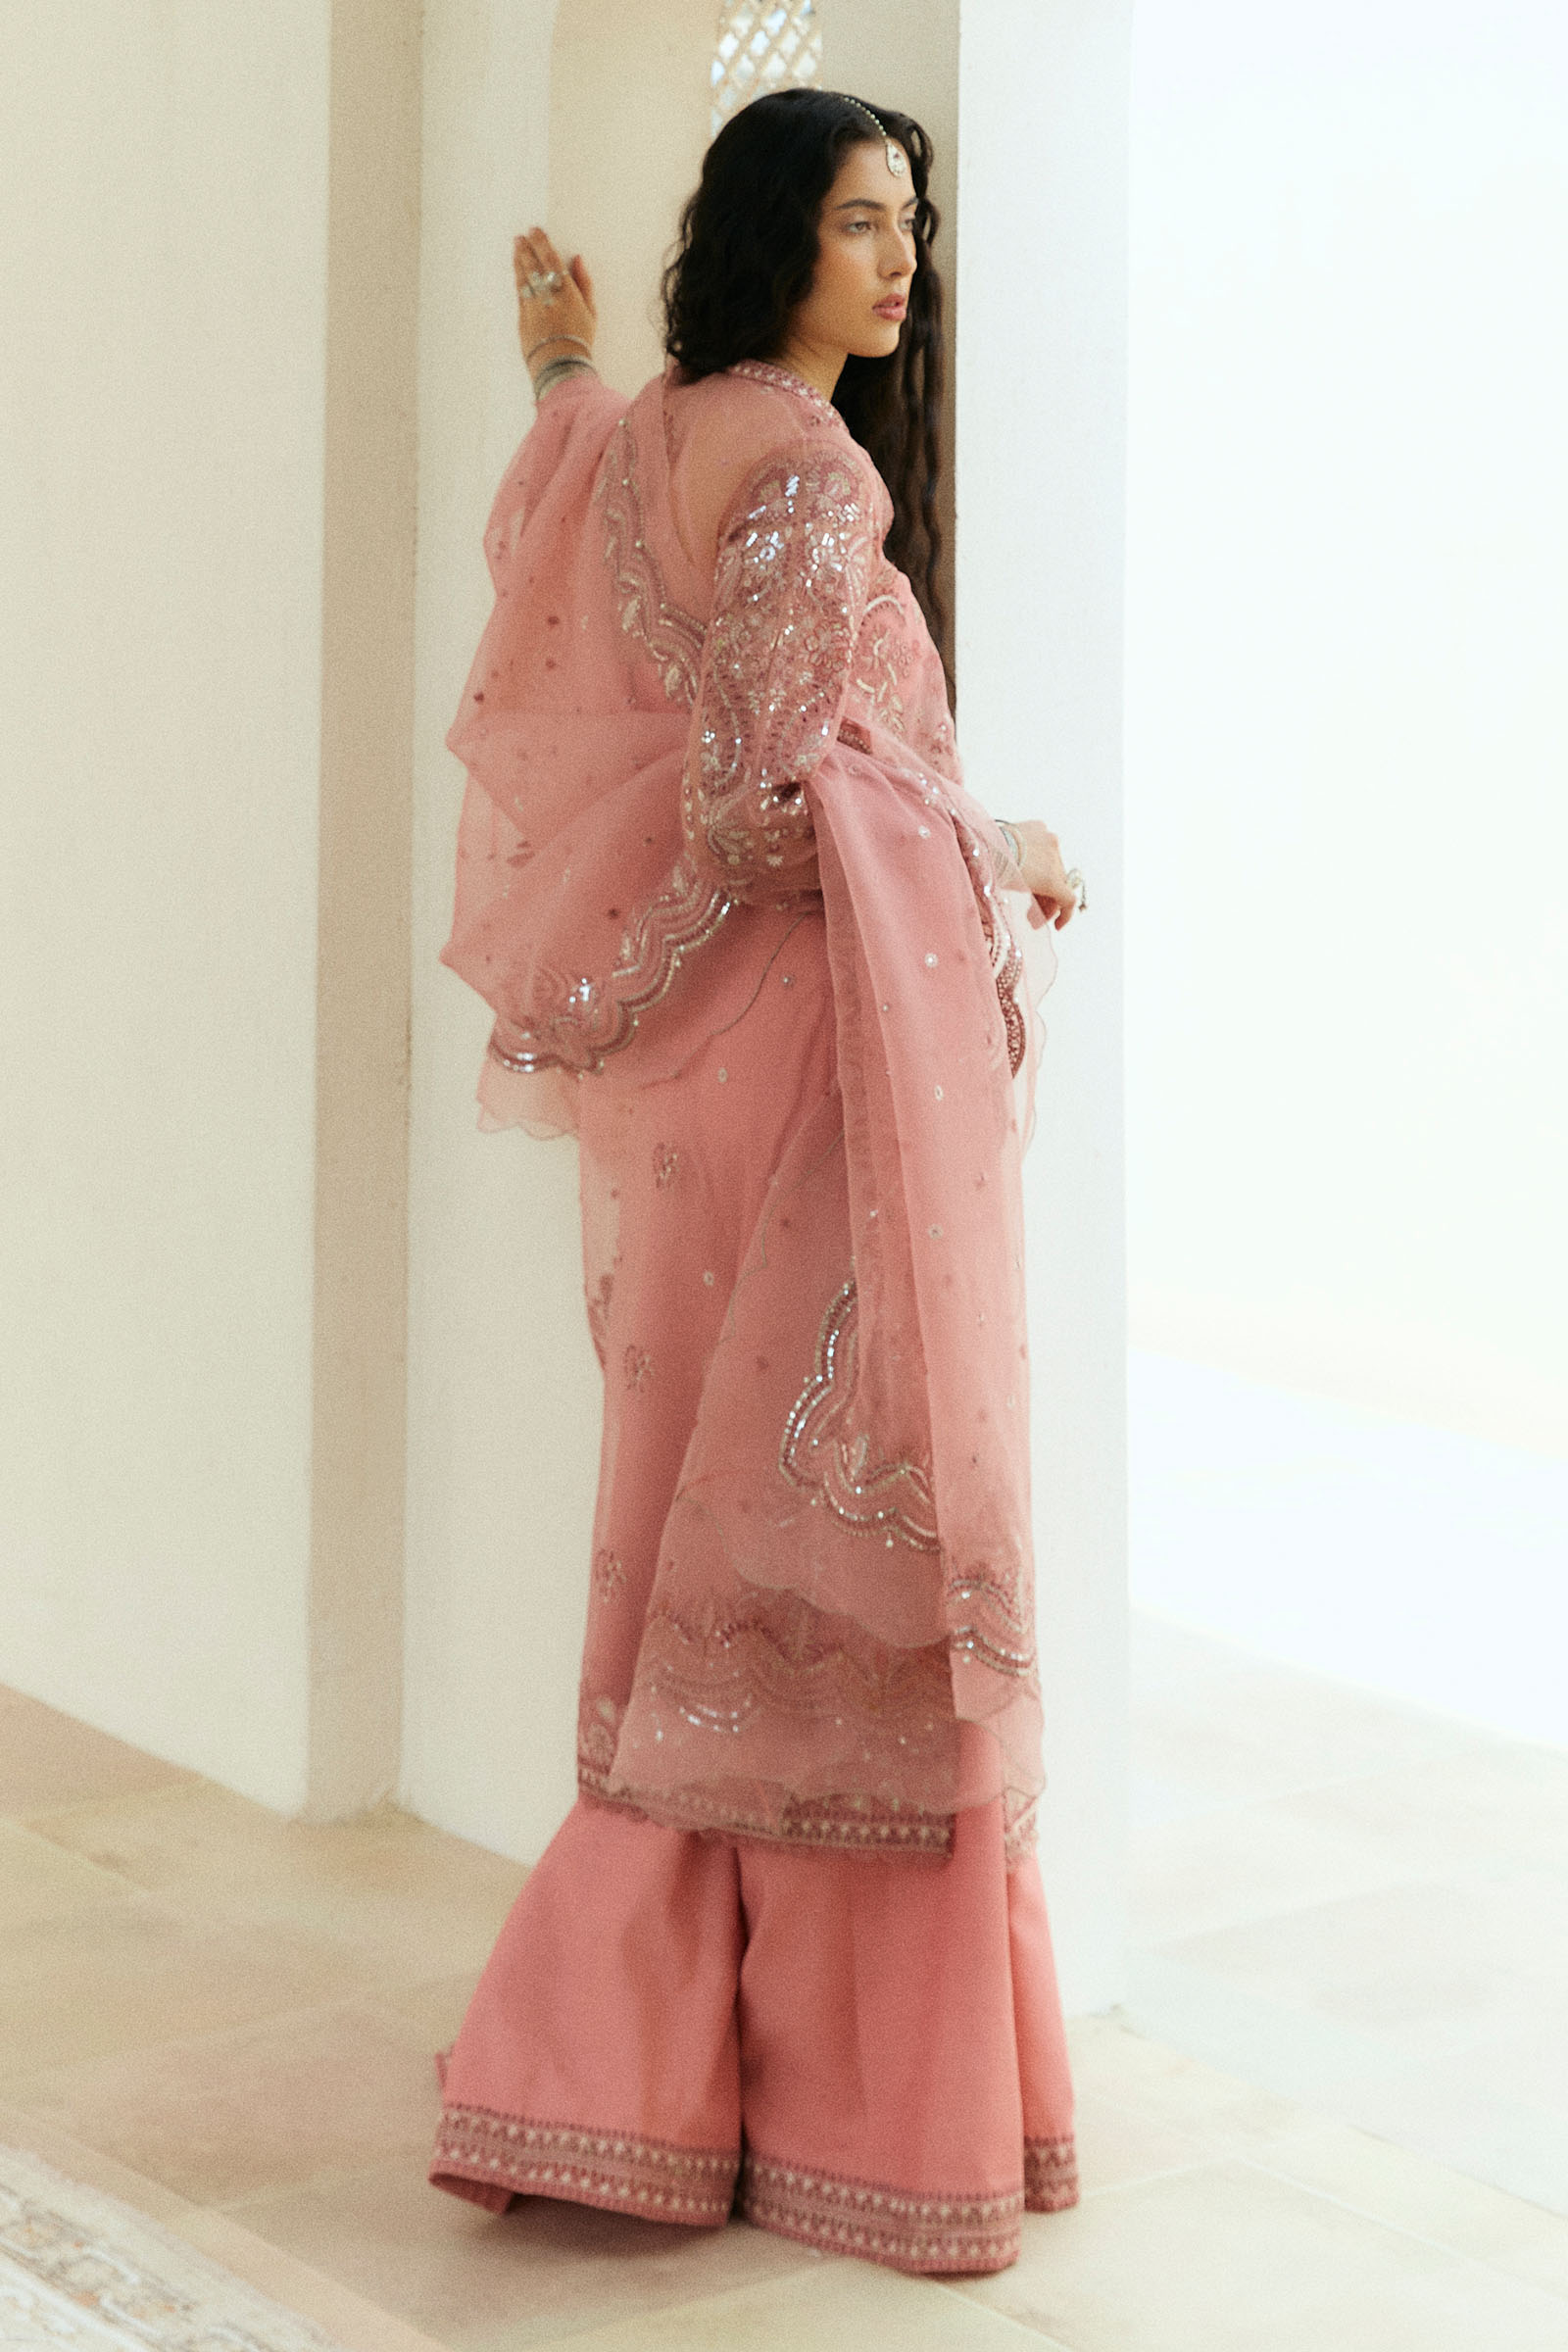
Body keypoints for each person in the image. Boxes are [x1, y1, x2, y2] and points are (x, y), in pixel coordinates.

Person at [427, 88, 1084, 2278]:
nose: (899, 265)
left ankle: (617, 2074)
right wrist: (993, 847)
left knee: (685, 1513)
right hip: (809, 1071)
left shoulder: (656, 436)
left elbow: (566, 494)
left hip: (695, 1078)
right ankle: (858, 2107)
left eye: (910, 224)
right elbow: (752, 803)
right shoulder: (810, 470)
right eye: (858, 223)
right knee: (831, 1528)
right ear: (774, 237)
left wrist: (552, 358)